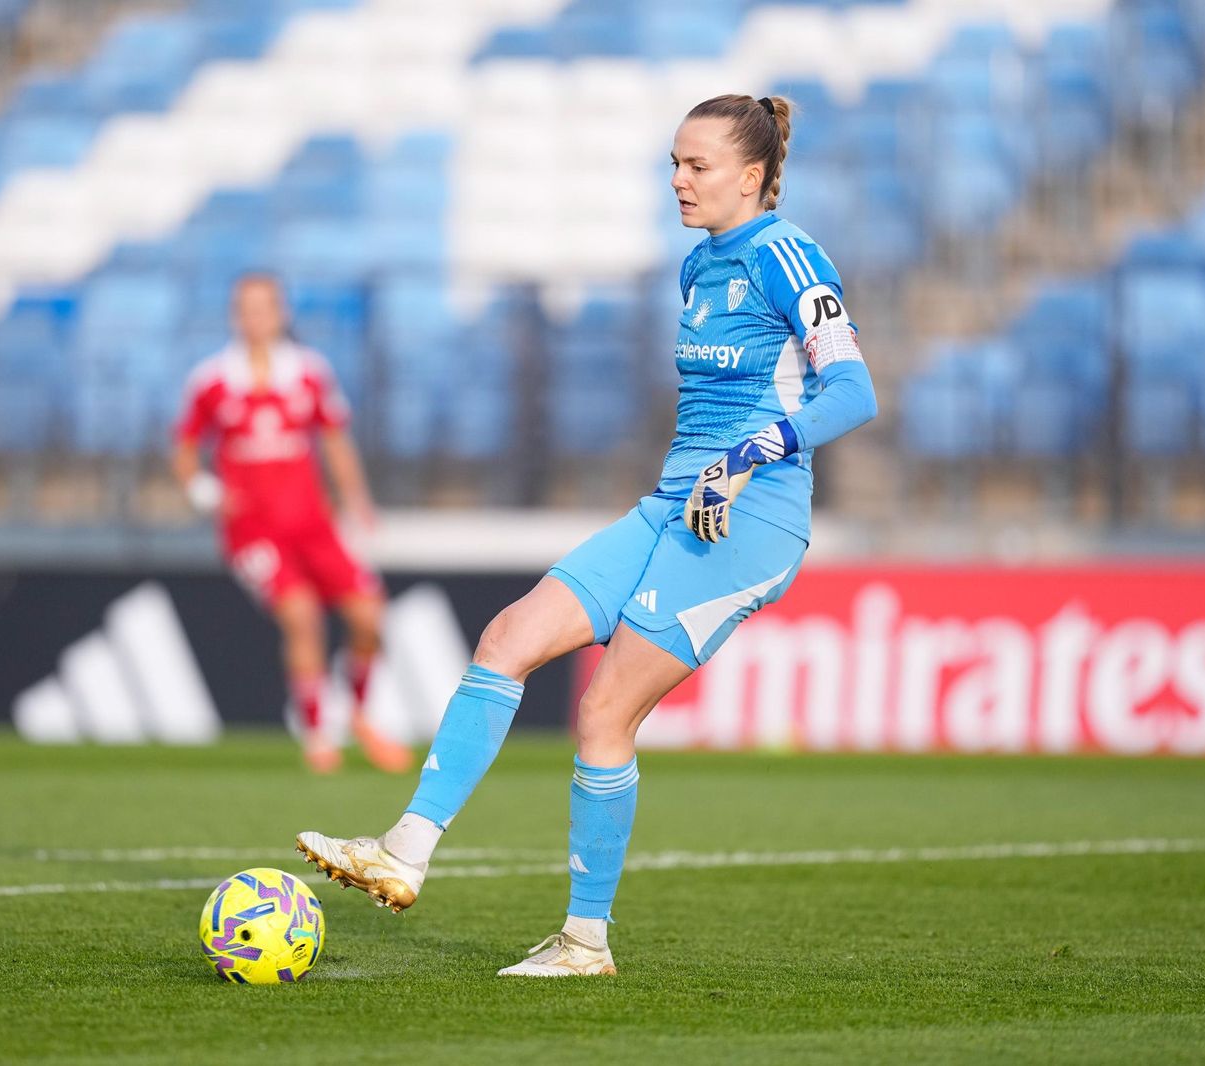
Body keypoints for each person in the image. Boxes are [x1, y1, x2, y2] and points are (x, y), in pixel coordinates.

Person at [296, 94, 878, 974]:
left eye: (698, 165)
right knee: (508, 639)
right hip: (673, 504)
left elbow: (854, 393)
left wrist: (748, 456)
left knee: (604, 713)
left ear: (752, 176)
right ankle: (403, 851)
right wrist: (703, 471)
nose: (678, 181)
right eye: (674, 164)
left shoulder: (788, 256)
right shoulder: (696, 268)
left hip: (749, 520)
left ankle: (584, 941)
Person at [173, 273, 413, 775]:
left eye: (265, 307)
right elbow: (185, 447)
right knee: (301, 615)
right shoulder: (212, 379)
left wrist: (357, 501)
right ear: (236, 315)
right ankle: (317, 735)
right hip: (254, 532)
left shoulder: (308, 372)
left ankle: (362, 718)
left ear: (280, 313)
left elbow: (335, 439)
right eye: (246, 307)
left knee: (369, 615)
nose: (255, 317)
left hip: (313, 524)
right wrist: (205, 492)